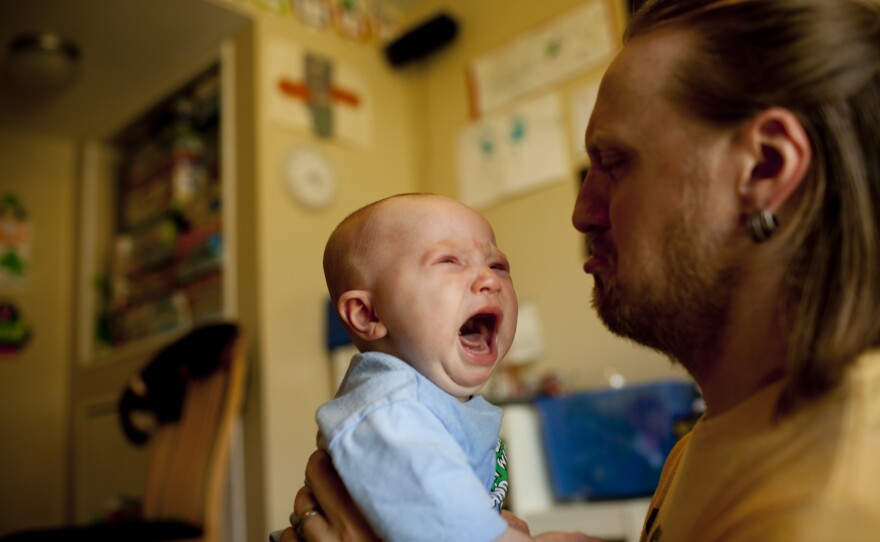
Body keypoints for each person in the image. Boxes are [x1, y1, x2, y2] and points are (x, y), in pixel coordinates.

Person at [282, 0, 880, 540]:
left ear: (765, 167)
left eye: (615, 163)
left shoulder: (831, 499)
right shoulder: (714, 439)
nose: (580, 212)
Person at [276, 194, 590, 542]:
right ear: (369, 314)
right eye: (450, 261)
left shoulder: (442, 401)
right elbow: (443, 522)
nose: (489, 279)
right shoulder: (390, 408)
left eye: (498, 265)